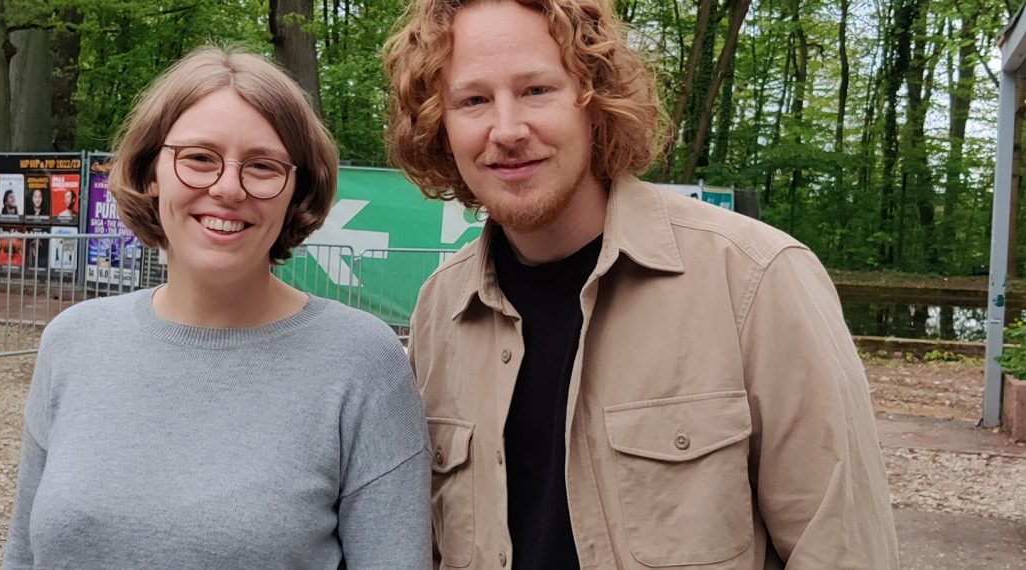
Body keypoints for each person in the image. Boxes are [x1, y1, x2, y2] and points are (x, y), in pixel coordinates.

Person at [384, 0, 899, 568]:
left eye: (536, 90)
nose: (507, 130)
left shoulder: (755, 278)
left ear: (595, 102)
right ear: (440, 125)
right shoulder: (442, 311)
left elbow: (842, 547)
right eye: (474, 100)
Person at [2, 46, 431, 569]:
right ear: (150, 172)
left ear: (297, 191)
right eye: (200, 158)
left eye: (263, 166)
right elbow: (23, 554)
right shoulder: (74, 341)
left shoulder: (361, 360)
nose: (228, 188)